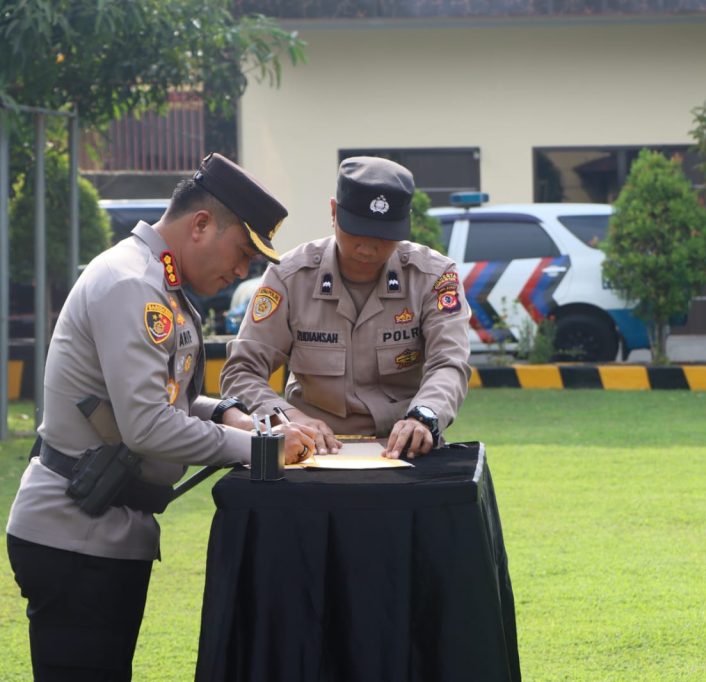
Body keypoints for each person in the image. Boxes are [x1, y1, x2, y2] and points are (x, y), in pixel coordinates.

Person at [6, 152, 317, 681]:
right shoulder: (133, 284)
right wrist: (262, 449)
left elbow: (163, 398)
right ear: (200, 225)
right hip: (76, 536)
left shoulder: (155, 283)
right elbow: (146, 424)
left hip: (100, 530)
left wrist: (230, 413)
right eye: (242, 252)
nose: (242, 271)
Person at [220, 156, 471, 459]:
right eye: (356, 232)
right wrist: (285, 417)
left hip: (403, 450)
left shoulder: (432, 277)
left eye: (382, 237)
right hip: (312, 450)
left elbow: (449, 361)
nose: (367, 249)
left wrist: (425, 415)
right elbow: (242, 371)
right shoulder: (289, 277)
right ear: (333, 212)